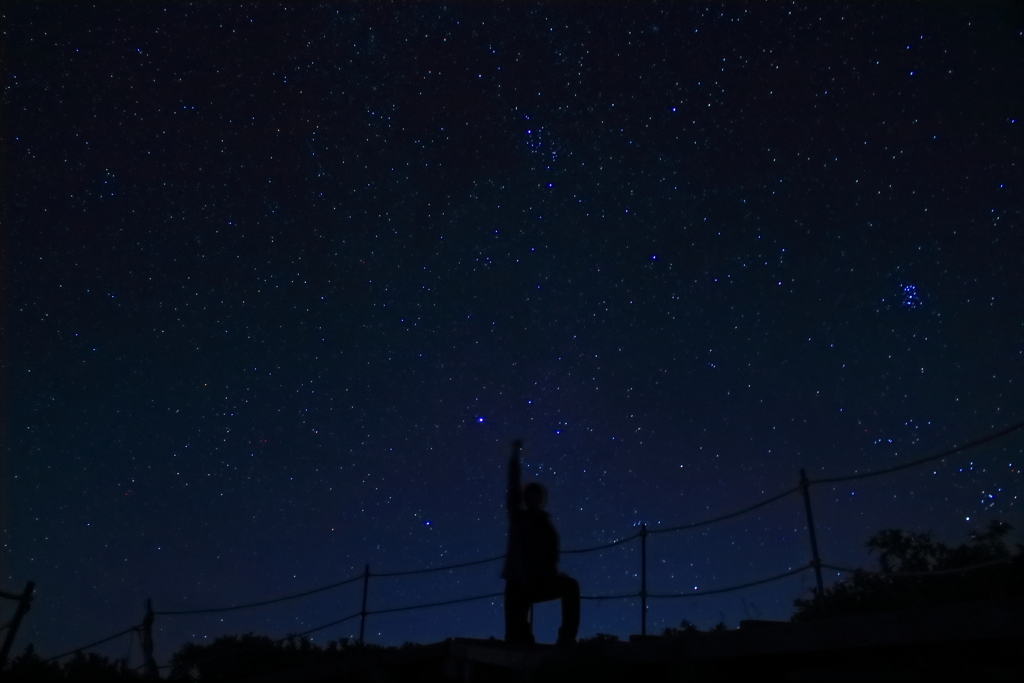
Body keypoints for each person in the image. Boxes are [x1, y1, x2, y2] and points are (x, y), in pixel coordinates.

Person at [502, 439, 580, 646]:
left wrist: (553, 574)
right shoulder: (519, 518)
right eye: (530, 496)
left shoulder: (547, 527)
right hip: (518, 585)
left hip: (538, 582)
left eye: (537, 496)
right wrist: (515, 458)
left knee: (570, 586)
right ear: (526, 499)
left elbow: (550, 556)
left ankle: (567, 638)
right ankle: (526, 640)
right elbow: (512, 489)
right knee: (515, 640)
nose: (534, 500)